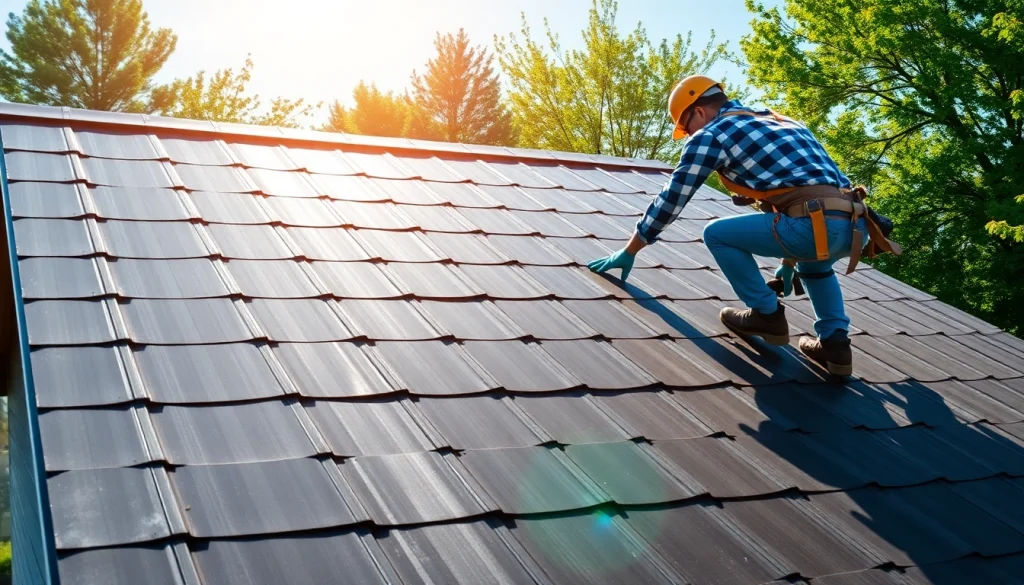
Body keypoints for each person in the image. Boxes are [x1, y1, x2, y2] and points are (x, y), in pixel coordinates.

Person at [588, 75, 898, 377]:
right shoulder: (783, 122)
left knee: (717, 234)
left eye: (686, 127)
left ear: (699, 112)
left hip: (815, 226)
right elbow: (805, 191)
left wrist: (631, 249)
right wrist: (789, 262)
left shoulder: (712, 135)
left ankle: (767, 315)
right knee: (816, 267)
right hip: (855, 226)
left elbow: (674, 197)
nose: (689, 135)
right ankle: (835, 346)